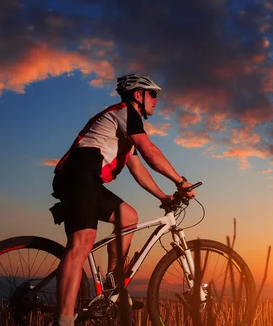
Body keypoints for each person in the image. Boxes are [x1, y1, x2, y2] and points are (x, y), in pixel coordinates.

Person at [50, 73, 194, 326]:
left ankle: (112, 281)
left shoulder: (127, 131)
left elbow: (138, 169)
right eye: (153, 94)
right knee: (82, 242)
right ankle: (63, 320)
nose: (156, 100)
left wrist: (164, 196)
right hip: (77, 175)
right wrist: (180, 181)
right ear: (138, 95)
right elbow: (150, 152)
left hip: (89, 181)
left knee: (129, 217)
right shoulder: (125, 112)